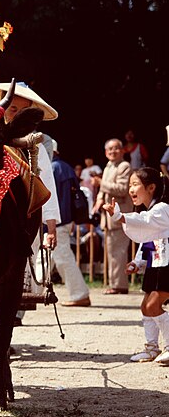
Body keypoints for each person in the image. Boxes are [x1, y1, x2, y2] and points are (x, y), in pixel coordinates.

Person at [0, 80, 61, 325]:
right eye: (12, 109)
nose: (16, 116)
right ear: (0, 108)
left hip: (18, 225)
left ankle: (7, 320)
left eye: (23, 112)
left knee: (12, 274)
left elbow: (47, 188)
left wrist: (50, 228)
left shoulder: (34, 147)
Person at [103, 167, 169, 362]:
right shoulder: (151, 210)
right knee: (145, 307)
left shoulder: (163, 209)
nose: (131, 189)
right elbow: (149, 240)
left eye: (135, 184)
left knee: (153, 305)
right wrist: (138, 262)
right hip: (156, 264)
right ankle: (151, 348)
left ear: (150, 187)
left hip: (167, 265)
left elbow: (144, 222)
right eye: (129, 185)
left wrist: (119, 216)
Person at [50, 143, 91, 307]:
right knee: (45, 259)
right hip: (65, 220)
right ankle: (29, 295)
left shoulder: (52, 168)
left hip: (57, 221)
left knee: (63, 258)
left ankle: (80, 294)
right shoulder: (65, 167)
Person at [93, 138, 132, 294]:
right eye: (110, 149)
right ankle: (115, 283)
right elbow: (103, 190)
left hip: (120, 214)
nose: (113, 151)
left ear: (122, 151)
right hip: (108, 217)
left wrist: (101, 183)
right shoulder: (109, 166)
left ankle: (119, 285)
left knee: (119, 251)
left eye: (116, 148)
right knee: (111, 251)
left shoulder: (124, 166)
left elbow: (122, 189)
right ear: (105, 152)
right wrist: (98, 201)